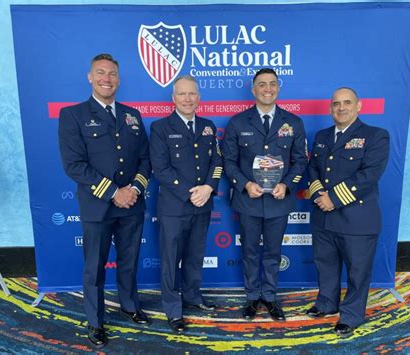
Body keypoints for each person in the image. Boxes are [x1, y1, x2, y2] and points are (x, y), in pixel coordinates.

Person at [58, 53, 151, 348]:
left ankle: (129, 305)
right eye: (100, 73)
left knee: (129, 261)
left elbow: (145, 160)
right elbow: (74, 165)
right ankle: (95, 321)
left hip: (132, 205)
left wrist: (134, 189)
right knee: (95, 268)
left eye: (112, 74)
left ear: (118, 79)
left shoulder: (132, 115)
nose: (106, 79)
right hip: (98, 206)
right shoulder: (72, 115)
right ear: (90, 77)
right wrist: (115, 192)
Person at [222, 68, 307, 321]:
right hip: (248, 199)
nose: (267, 88)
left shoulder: (293, 123)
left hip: (279, 202)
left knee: (272, 251)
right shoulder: (238, 122)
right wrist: (245, 184)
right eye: (262, 84)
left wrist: (288, 184)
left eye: (272, 84)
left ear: (278, 88)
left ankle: (269, 297)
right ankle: (251, 298)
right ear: (253, 89)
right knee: (248, 251)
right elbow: (228, 161)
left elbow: (301, 161)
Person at [306, 87, 390, 337]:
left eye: (347, 103)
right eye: (336, 104)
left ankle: (351, 315)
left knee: (357, 270)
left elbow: (369, 175)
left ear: (358, 106)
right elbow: (313, 169)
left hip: (357, 219)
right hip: (324, 216)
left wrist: (333, 198)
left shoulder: (376, 136)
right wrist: (321, 196)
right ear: (330, 108)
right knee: (326, 264)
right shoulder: (322, 136)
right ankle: (327, 303)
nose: (341, 108)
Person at [149, 75, 223, 333]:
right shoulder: (160, 127)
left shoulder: (208, 126)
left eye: (192, 94)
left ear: (199, 98)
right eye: (182, 94)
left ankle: (192, 295)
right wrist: (190, 192)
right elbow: (160, 168)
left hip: (202, 204)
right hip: (174, 207)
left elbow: (217, 162)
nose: (188, 99)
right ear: (173, 98)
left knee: (195, 255)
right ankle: (173, 309)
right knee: (171, 260)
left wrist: (209, 188)